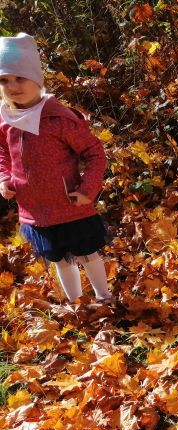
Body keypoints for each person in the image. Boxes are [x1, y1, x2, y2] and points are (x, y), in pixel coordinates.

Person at [0, 33, 111, 304]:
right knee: (59, 258)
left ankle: (104, 297)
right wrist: (4, 178)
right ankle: (77, 304)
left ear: (37, 79)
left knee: (86, 254)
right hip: (35, 210)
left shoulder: (57, 118)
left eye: (20, 77)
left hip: (70, 205)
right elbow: (2, 152)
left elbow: (95, 153)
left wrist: (87, 189)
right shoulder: (5, 120)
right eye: (4, 80)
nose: (13, 86)